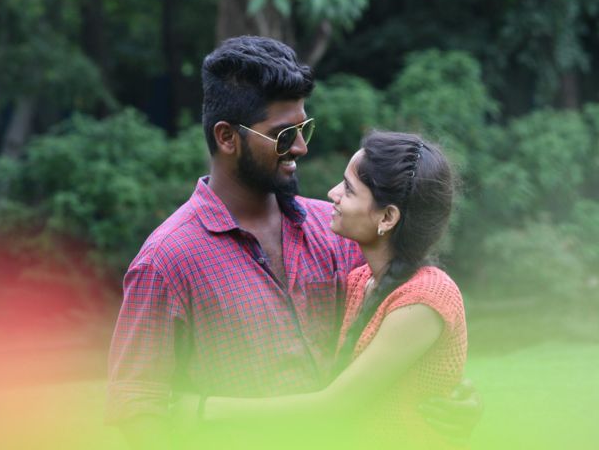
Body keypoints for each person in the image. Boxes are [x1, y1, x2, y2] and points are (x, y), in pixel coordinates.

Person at [107, 36, 479, 449]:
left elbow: (398, 329)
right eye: (284, 135)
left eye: (304, 129)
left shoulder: (337, 233)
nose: (301, 147)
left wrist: (450, 398)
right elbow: (137, 407)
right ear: (227, 138)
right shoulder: (166, 260)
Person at [195, 131, 467, 449]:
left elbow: (336, 406)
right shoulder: (360, 281)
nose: (333, 193)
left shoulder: (424, 300)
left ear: (387, 217)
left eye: (349, 189)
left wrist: (202, 409)